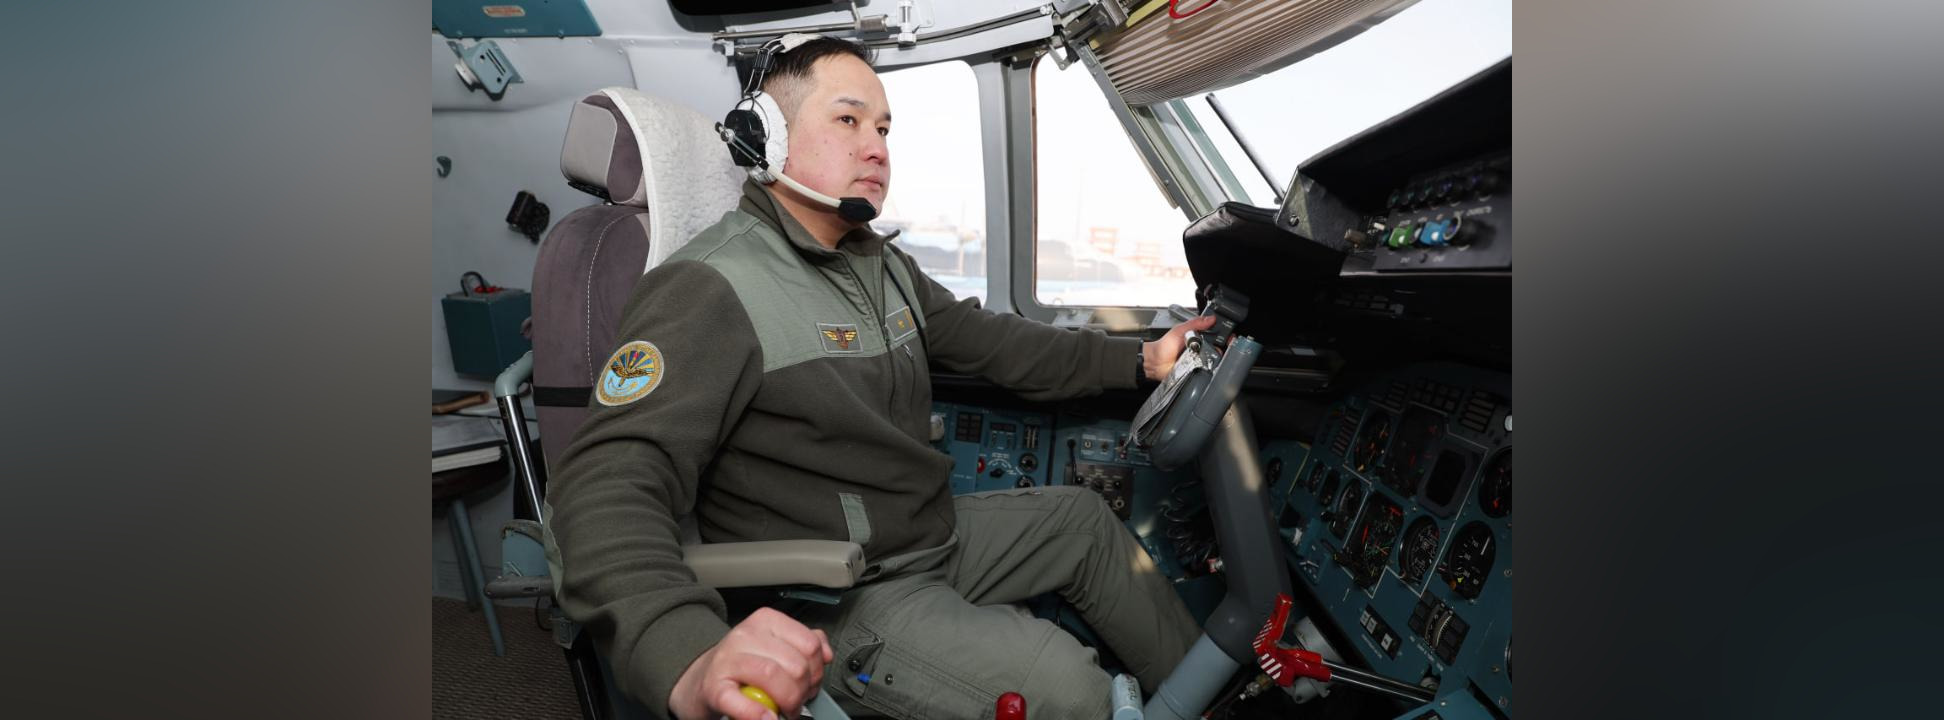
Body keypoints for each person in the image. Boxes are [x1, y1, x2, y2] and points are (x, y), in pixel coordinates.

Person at [546, 37, 1213, 720]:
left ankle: (1213, 700)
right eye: (848, 120)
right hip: (839, 590)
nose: (876, 149)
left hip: (927, 538)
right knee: (1072, 690)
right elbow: (605, 482)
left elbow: (994, 341)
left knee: (1083, 521)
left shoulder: (878, 264)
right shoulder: (710, 286)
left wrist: (1140, 361)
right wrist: (685, 653)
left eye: (884, 128)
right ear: (769, 137)